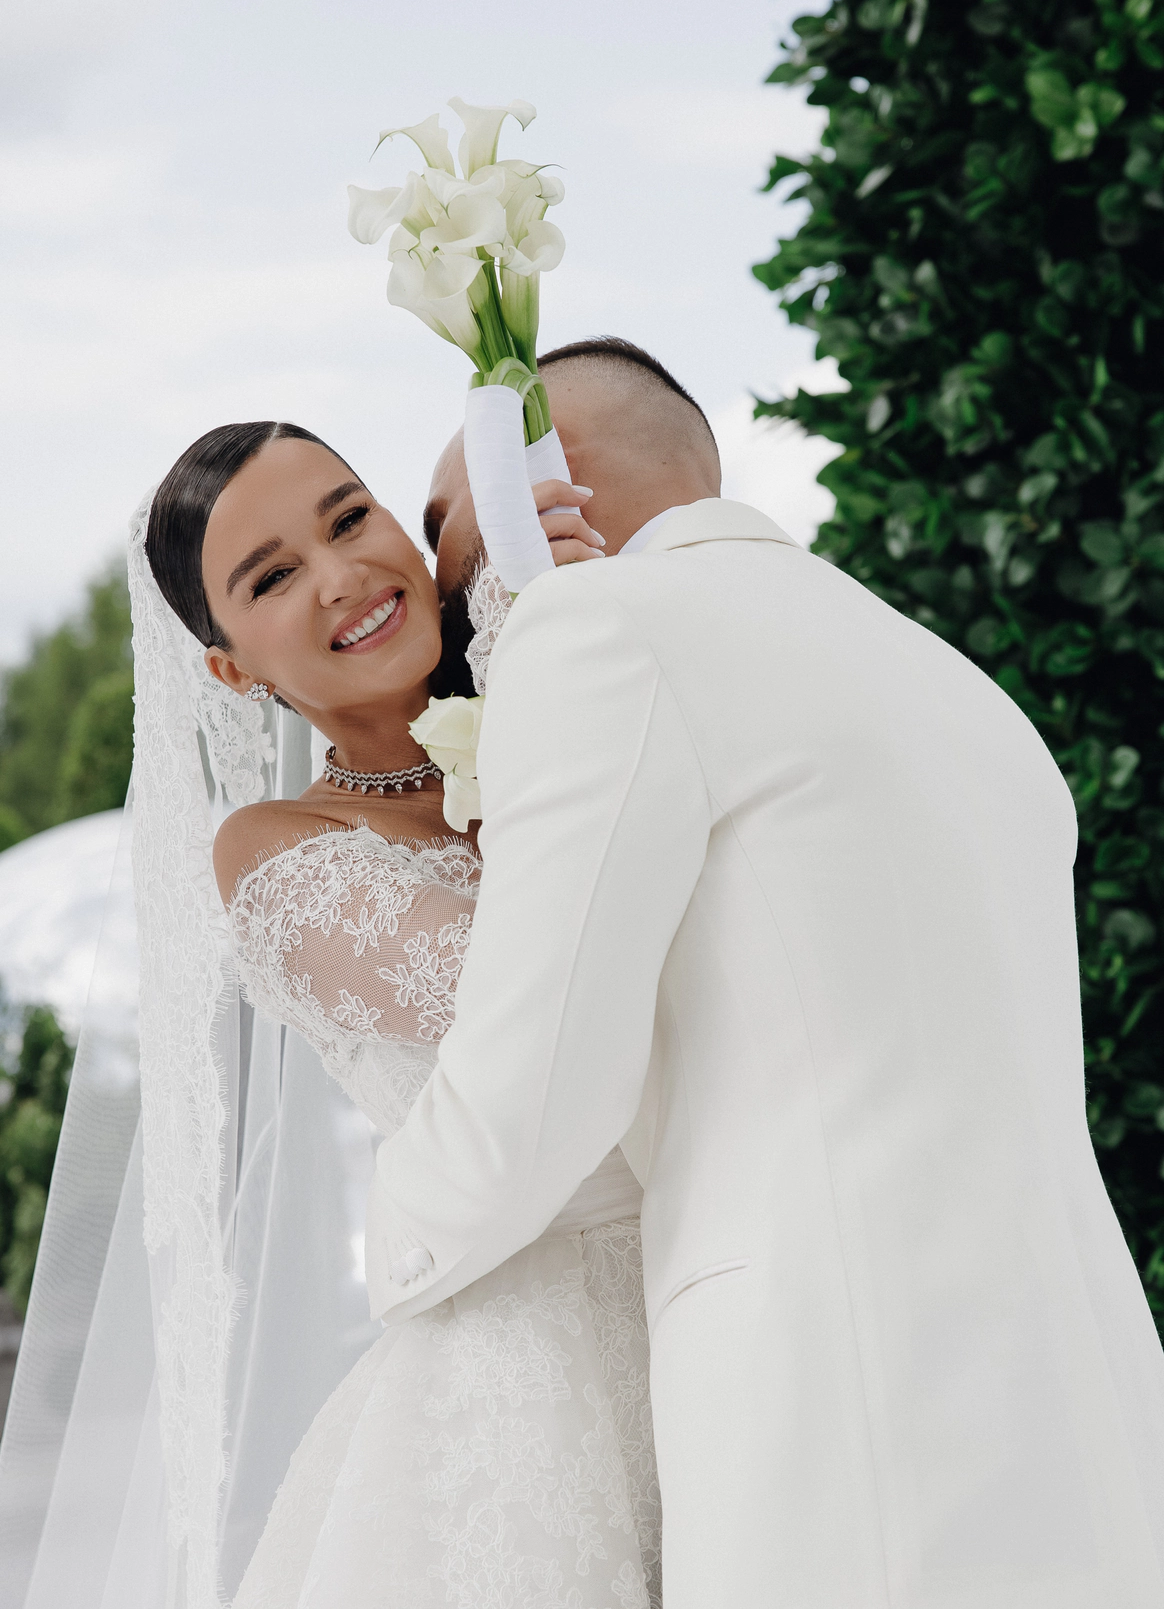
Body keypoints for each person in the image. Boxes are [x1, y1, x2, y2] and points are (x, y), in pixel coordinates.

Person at [369, 335, 1164, 1607]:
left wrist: (386, 1243)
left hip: (836, 1416)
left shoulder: (600, 633)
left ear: (550, 470)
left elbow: (539, 1091)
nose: (434, 562)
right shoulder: (963, 688)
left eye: (441, 515)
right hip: (1089, 1415)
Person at [141, 420, 662, 1608]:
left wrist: (580, 638)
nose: (341, 576)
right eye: (273, 577)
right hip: (533, 1388)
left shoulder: (556, 705)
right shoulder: (275, 853)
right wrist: (534, 645)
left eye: (349, 519)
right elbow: (536, 985)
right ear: (233, 671)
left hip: (729, 1280)